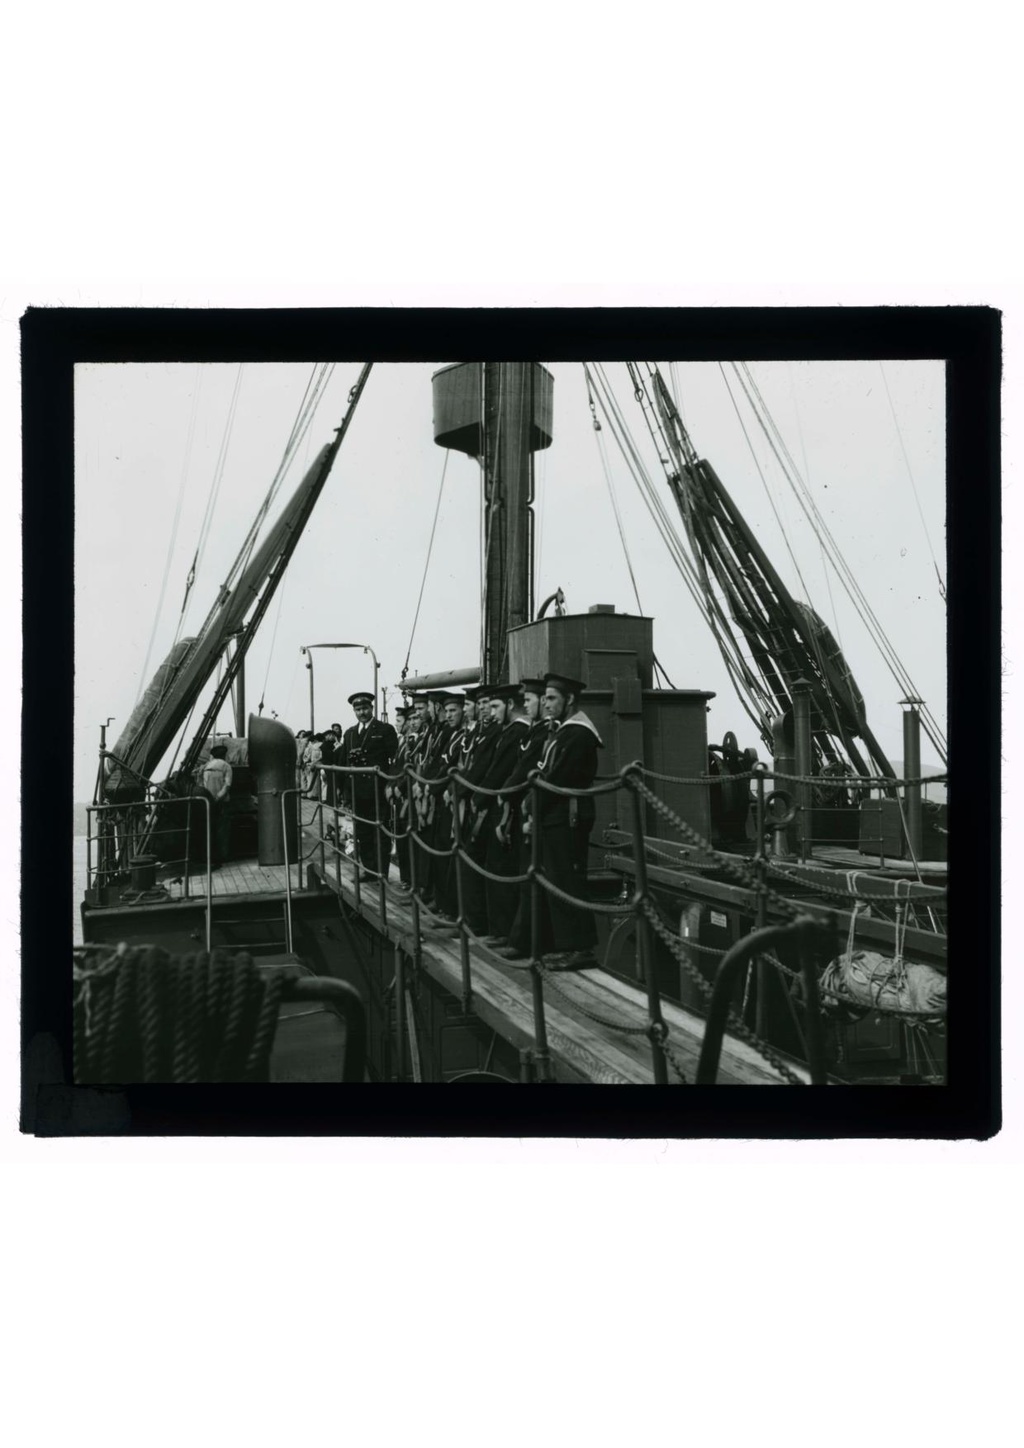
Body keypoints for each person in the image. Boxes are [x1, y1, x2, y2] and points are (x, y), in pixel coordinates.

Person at [534, 672, 603, 969]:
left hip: (568, 816)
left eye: (552, 698)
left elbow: (557, 778)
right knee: (558, 880)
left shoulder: (578, 734)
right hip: (558, 815)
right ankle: (566, 946)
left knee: (568, 881)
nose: (546, 704)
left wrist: (530, 806)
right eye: (545, 698)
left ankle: (580, 949)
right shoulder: (564, 732)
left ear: (570, 699)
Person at [498, 679, 554, 959]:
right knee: (526, 875)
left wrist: (505, 792)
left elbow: (527, 767)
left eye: (530, 700)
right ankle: (523, 939)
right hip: (525, 808)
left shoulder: (544, 732)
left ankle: (525, 943)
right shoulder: (537, 731)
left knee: (530, 875)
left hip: (536, 811)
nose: (526, 705)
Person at [336, 691, 398, 879]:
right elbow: (344, 763)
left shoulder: (385, 730)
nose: (362, 712)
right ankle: (369, 870)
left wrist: (390, 784)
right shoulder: (350, 733)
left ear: (371, 708)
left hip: (378, 790)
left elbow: (394, 759)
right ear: (354, 711)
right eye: (358, 709)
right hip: (357, 791)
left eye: (365, 708)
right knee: (362, 832)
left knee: (380, 831)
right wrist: (343, 790)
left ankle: (381, 872)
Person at [201, 742, 233, 868]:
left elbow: (202, 784)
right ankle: (223, 856)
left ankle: (210, 856)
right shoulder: (226, 766)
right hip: (222, 802)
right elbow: (227, 785)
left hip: (207, 802)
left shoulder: (206, 766)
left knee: (210, 829)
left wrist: (210, 798)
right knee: (223, 830)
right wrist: (219, 797)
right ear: (224, 755)